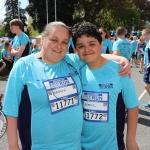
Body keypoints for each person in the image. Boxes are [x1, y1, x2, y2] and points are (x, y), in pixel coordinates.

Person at [2, 21, 130, 150]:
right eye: (54, 40)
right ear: (43, 39)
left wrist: (121, 59)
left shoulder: (71, 61)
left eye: (64, 42)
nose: (59, 46)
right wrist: (12, 145)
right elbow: (10, 109)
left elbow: (94, 54)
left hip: (74, 146)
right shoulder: (24, 66)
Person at [72, 22, 139, 150]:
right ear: (75, 49)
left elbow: (132, 105)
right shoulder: (76, 70)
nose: (87, 49)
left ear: (101, 45)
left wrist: (131, 140)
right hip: (81, 145)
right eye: (81, 46)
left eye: (92, 44)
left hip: (112, 145)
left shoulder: (120, 71)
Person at [142, 28, 150, 116]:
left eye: (143, 34)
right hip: (147, 67)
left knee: (147, 86)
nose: (142, 36)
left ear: (147, 34)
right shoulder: (148, 42)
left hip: (148, 68)